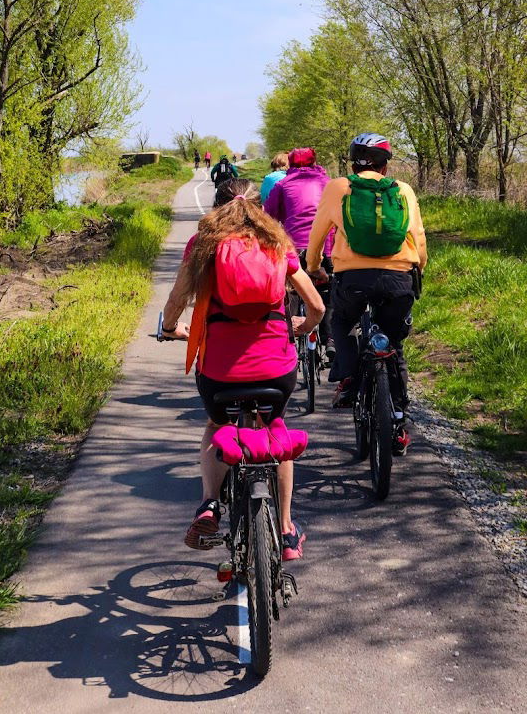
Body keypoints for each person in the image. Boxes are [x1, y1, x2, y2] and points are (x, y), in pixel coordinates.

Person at [161, 178, 324, 560]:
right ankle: (284, 530)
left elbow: (176, 299)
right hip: (276, 369)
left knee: (216, 426)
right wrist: (302, 327)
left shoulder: (203, 246)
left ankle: (209, 505)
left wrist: (171, 329)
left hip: (220, 372)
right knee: (274, 431)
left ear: (217, 208)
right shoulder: (278, 245)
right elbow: (315, 306)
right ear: (260, 208)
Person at [305, 133, 427, 453]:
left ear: (353, 161)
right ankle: (398, 422)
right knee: (394, 345)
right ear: (386, 164)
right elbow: (418, 236)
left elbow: (318, 234)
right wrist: (419, 268)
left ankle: (347, 379)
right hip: (399, 278)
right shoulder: (403, 190)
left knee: (342, 322)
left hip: (352, 278)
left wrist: (314, 266)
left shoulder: (338, 187)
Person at [264, 147, 334, 356]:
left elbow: (268, 217)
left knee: (290, 291)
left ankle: (288, 338)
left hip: (294, 249)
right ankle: (330, 339)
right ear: (315, 163)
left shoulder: (283, 184)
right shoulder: (327, 183)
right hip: (325, 249)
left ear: (291, 164)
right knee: (328, 293)